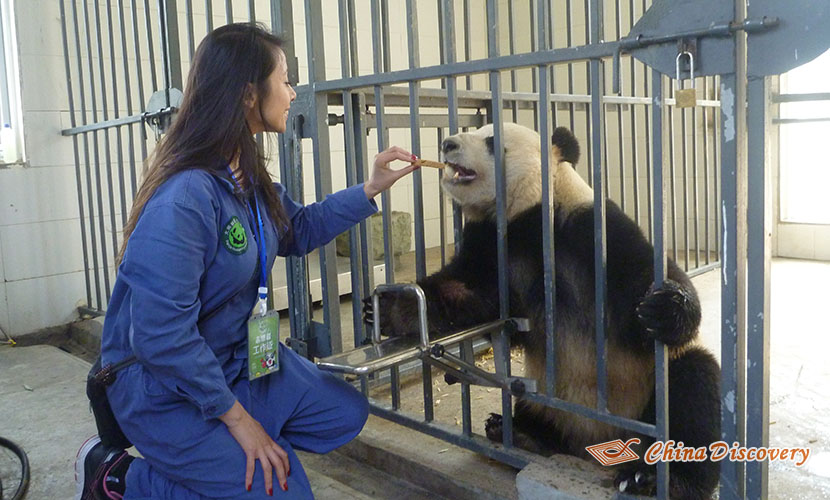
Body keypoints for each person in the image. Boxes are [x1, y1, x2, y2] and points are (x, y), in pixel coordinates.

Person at [74, 23, 419, 500]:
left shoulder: (247, 176)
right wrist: (239, 423)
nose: (293, 90)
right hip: (161, 384)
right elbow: (160, 338)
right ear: (248, 94)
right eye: (284, 79)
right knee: (284, 491)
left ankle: (227, 463)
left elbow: (298, 229)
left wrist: (370, 189)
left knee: (342, 413)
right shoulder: (186, 199)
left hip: (238, 359)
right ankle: (118, 478)